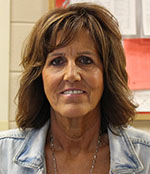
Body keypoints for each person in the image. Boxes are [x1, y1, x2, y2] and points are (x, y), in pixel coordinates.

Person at [0, 2, 150, 174]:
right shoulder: (3, 155)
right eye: (57, 61)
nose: (71, 74)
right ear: (39, 76)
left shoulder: (145, 156)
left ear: (107, 74)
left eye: (86, 60)